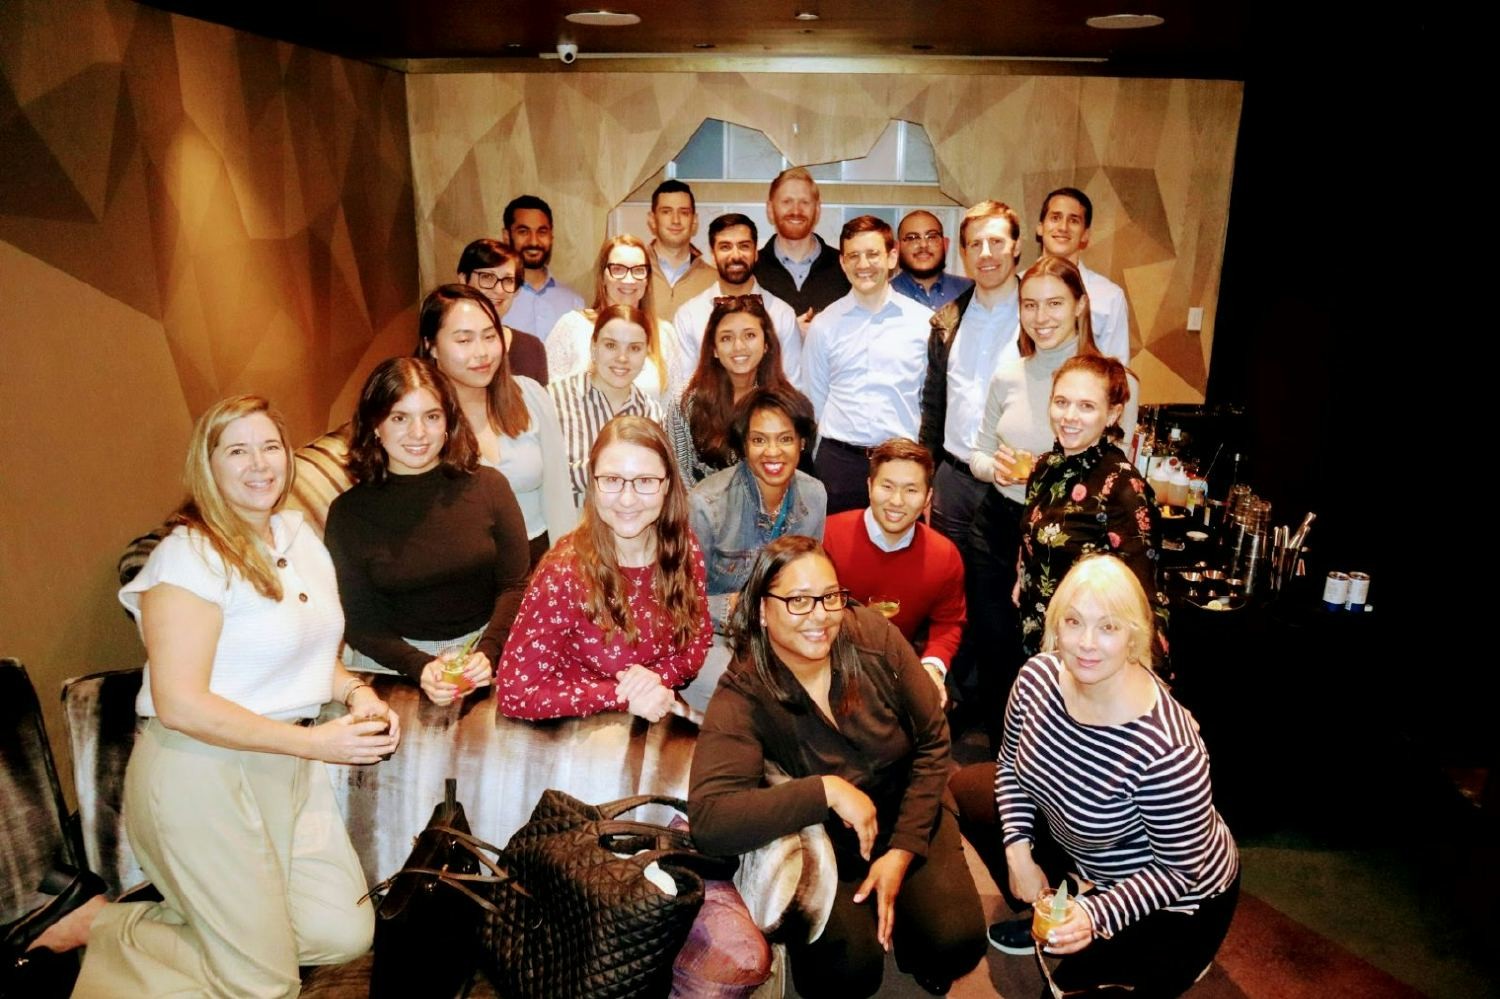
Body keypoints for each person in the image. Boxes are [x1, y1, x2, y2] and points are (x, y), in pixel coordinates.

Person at [70, 395, 398, 997]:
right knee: (264, 984)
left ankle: (184, 931)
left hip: (289, 768)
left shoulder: (300, 539)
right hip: (201, 774)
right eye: (237, 450)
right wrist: (315, 742)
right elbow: (181, 704)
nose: (259, 464)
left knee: (342, 932)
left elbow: (312, 654)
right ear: (208, 464)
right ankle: (112, 928)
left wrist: (358, 695)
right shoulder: (188, 558)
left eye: (270, 446)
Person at [688, 536, 986, 998]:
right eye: (798, 601)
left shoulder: (871, 634)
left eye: (829, 596)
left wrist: (902, 851)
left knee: (955, 943)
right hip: (827, 838)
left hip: (910, 805)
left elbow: (933, 739)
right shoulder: (744, 692)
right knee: (846, 975)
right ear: (763, 611)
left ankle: (910, 916)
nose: (821, 616)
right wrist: (825, 790)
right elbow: (710, 821)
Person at [951, 555, 1239, 997]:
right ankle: (1066, 898)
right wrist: (1018, 854)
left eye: (1108, 627)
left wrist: (1095, 916)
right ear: (1054, 625)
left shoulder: (1168, 748)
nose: (1086, 643)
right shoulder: (1036, 679)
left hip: (1177, 897)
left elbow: (1180, 869)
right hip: (1089, 851)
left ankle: (1181, 956)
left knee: (1062, 992)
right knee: (967, 788)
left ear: (1133, 636)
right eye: (1073, 621)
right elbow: (1009, 766)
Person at [964, 256, 1140, 728]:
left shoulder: (1112, 381)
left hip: (1073, 541)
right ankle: (1010, 751)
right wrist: (996, 471)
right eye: (1029, 305)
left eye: (1054, 303)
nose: (1040, 317)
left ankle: (1063, 751)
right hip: (1001, 526)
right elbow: (977, 453)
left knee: (1068, 652)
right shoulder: (1008, 374)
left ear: (1081, 305)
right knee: (1000, 646)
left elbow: (1120, 474)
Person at [324, 357, 530, 705]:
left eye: (431, 417)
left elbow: (515, 584)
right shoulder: (348, 513)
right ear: (376, 424)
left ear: (448, 422)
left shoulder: (489, 486)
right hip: (393, 663)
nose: (417, 433)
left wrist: (487, 652)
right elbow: (359, 622)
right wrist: (420, 666)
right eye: (399, 418)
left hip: (486, 648)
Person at [498, 415, 710, 721]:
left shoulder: (683, 547)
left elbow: (698, 640)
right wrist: (618, 695)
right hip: (578, 733)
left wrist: (656, 678)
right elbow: (514, 694)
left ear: (667, 485)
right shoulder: (564, 573)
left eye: (645, 481)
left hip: (651, 717)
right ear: (592, 483)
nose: (627, 499)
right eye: (611, 480)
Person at [685, 387, 825, 712]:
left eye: (785, 439)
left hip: (781, 632)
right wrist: (734, 607)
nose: (772, 452)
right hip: (714, 637)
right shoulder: (707, 505)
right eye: (759, 440)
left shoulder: (814, 495)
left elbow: (810, 582)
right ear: (744, 446)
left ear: (802, 443)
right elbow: (679, 605)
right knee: (748, 698)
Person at [416, 284, 575, 567]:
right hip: (462, 570)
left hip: (537, 560)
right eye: (464, 341)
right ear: (431, 345)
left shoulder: (530, 395)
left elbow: (558, 493)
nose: (482, 353)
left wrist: (566, 568)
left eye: (490, 336)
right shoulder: (421, 418)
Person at [1015, 354, 1160, 654]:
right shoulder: (1044, 466)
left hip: (1090, 651)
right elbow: (1032, 540)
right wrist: (1023, 578)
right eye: (1061, 402)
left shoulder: (1123, 486)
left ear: (1112, 414)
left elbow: (1143, 596)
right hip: (1040, 636)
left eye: (1086, 406)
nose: (1069, 416)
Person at [801, 215, 932, 515]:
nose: (863, 265)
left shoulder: (922, 323)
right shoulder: (825, 325)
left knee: (897, 556)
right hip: (839, 464)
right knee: (837, 554)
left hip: (901, 463)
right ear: (843, 262)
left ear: (892, 257)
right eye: (854, 256)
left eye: (873, 254)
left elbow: (930, 402)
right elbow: (814, 399)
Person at [821, 438, 963, 708]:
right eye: (887, 486)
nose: (897, 501)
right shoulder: (828, 537)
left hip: (897, 666)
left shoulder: (944, 556)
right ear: (870, 486)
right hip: (828, 660)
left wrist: (932, 667)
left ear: (928, 498)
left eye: (911, 490)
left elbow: (949, 622)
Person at [665, 294, 806, 486]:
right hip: (702, 510)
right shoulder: (685, 402)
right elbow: (679, 472)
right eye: (726, 338)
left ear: (766, 344)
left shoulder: (787, 404)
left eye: (749, 335)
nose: (738, 346)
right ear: (714, 348)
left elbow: (792, 475)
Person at [548, 304, 666, 507]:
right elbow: (545, 478)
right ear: (593, 348)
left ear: (646, 353)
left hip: (630, 531)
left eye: (635, 348)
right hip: (567, 531)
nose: (622, 358)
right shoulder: (553, 400)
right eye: (611, 345)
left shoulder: (652, 415)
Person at [545, 233, 679, 403]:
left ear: (647, 279)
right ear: (603, 276)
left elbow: (674, 406)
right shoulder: (573, 326)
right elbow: (548, 399)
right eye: (618, 269)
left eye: (638, 270)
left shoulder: (664, 334)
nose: (629, 280)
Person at [673, 214, 801, 382]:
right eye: (725, 247)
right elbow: (684, 389)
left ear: (755, 253)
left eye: (744, 246)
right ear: (713, 254)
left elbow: (792, 386)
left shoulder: (782, 314)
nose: (735, 255)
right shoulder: (689, 316)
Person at [1035, 187, 1130, 366]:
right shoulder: (1015, 287)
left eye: (1074, 220)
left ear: (1085, 234)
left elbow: (1119, 372)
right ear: (1040, 227)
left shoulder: (1109, 297)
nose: (1063, 227)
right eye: (1055, 218)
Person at [752, 166, 851, 324]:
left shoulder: (846, 267)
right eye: (787, 202)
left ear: (817, 210)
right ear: (770, 210)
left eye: (804, 202)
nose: (796, 210)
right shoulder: (752, 270)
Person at [455, 237, 549, 384]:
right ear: (463, 280)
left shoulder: (531, 348)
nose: (499, 290)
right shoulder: (444, 343)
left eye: (508, 280)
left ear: (517, 290)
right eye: (487, 277)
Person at [503, 193, 584, 341]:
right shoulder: (496, 299)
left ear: (551, 236)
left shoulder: (574, 302)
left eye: (542, 232)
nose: (534, 241)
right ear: (507, 236)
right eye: (523, 232)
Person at [645, 178, 717, 320]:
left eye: (684, 212)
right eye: (666, 212)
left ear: (694, 220)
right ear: (652, 219)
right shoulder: (632, 274)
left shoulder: (715, 281)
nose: (676, 220)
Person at [891, 209, 973, 311]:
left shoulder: (971, 291)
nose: (923, 245)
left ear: (945, 244)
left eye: (932, 236)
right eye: (912, 238)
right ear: (897, 248)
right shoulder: (886, 295)